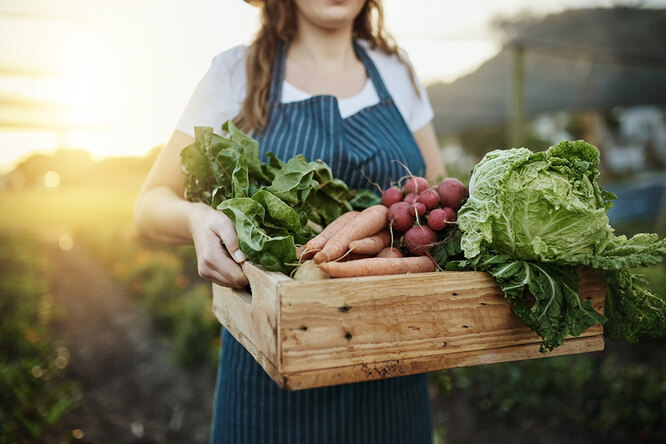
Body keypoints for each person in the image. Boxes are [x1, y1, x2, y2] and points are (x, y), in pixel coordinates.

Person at [135, 0, 445, 442]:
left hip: (391, 361)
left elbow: (432, 197)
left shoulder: (395, 69)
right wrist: (196, 218)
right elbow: (148, 204)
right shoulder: (234, 72)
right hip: (270, 369)